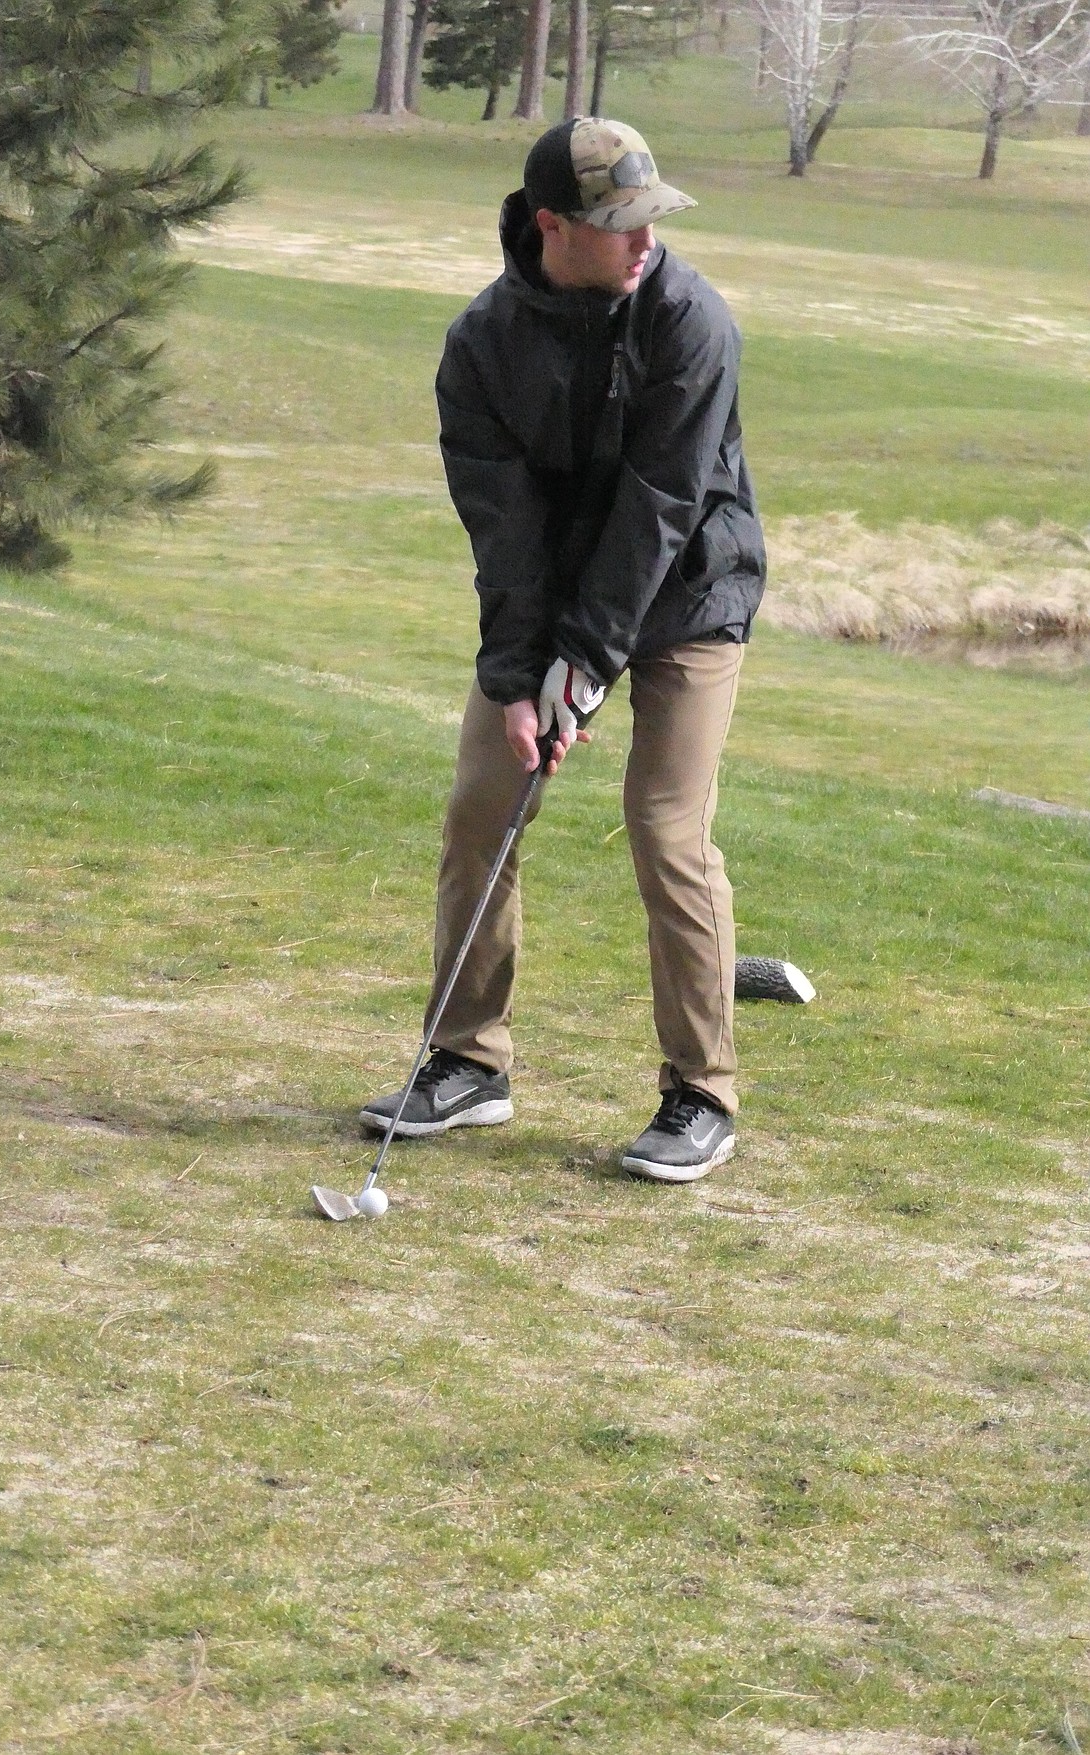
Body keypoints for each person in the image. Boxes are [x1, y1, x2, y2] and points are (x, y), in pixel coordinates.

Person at [360, 117, 767, 1182]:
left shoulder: (690, 322)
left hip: (687, 592)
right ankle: (467, 1062)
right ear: (553, 226)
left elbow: (660, 508)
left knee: (666, 826)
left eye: (651, 219)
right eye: (620, 223)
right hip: (555, 607)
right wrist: (517, 678)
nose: (645, 242)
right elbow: (505, 530)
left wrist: (581, 670)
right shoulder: (481, 345)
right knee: (483, 804)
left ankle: (701, 1091)